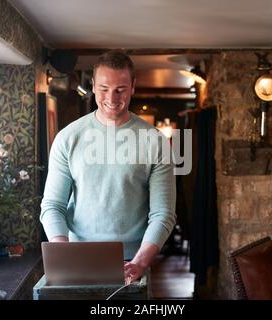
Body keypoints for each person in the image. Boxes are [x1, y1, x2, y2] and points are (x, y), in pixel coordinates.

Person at [40, 50, 176, 283]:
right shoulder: (68, 138)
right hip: (77, 258)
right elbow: (53, 205)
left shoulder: (155, 141)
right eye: (104, 89)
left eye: (120, 90)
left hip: (133, 259)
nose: (111, 99)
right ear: (93, 85)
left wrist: (141, 262)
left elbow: (163, 213)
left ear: (133, 86)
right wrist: (64, 252)